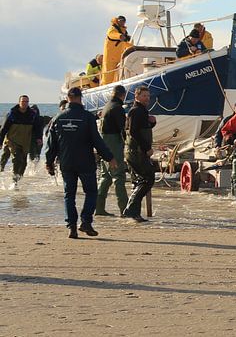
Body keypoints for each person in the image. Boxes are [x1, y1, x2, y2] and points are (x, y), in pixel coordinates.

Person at [44, 87, 116, 238]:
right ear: (80, 98)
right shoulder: (87, 117)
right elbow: (97, 140)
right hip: (85, 162)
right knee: (91, 192)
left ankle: (72, 227)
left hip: (66, 162)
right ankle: (86, 222)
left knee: (69, 195)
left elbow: (51, 144)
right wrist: (109, 157)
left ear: (68, 98)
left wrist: (49, 162)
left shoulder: (58, 117)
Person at [121, 86, 156, 222]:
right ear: (136, 97)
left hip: (132, 151)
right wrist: (146, 148)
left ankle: (135, 213)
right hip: (137, 152)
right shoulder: (137, 111)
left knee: (138, 181)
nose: (147, 98)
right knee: (147, 179)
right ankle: (130, 209)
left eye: (148, 96)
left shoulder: (140, 111)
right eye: (144, 96)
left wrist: (152, 123)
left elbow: (137, 128)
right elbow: (134, 131)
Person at [97, 85, 128, 217]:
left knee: (106, 177)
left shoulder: (106, 107)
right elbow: (122, 129)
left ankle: (98, 208)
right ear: (123, 95)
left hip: (104, 143)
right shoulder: (117, 108)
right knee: (118, 176)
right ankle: (125, 210)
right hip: (113, 143)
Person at [0, 95, 43, 185]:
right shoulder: (12, 114)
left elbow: (37, 128)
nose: (24, 103)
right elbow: (4, 128)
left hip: (25, 141)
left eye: (26, 102)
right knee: (17, 159)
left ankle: (19, 179)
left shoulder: (32, 115)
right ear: (19, 102)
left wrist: (39, 138)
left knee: (23, 163)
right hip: (12, 140)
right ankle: (14, 180)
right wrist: (0, 141)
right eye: (23, 101)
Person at [102, 16, 133, 85]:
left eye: (123, 21)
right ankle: (104, 86)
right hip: (110, 58)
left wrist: (132, 44)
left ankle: (116, 86)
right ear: (117, 21)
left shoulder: (124, 32)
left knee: (117, 75)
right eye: (120, 20)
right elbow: (112, 34)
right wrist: (120, 36)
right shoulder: (112, 29)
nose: (122, 22)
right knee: (108, 75)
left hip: (119, 57)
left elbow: (126, 43)